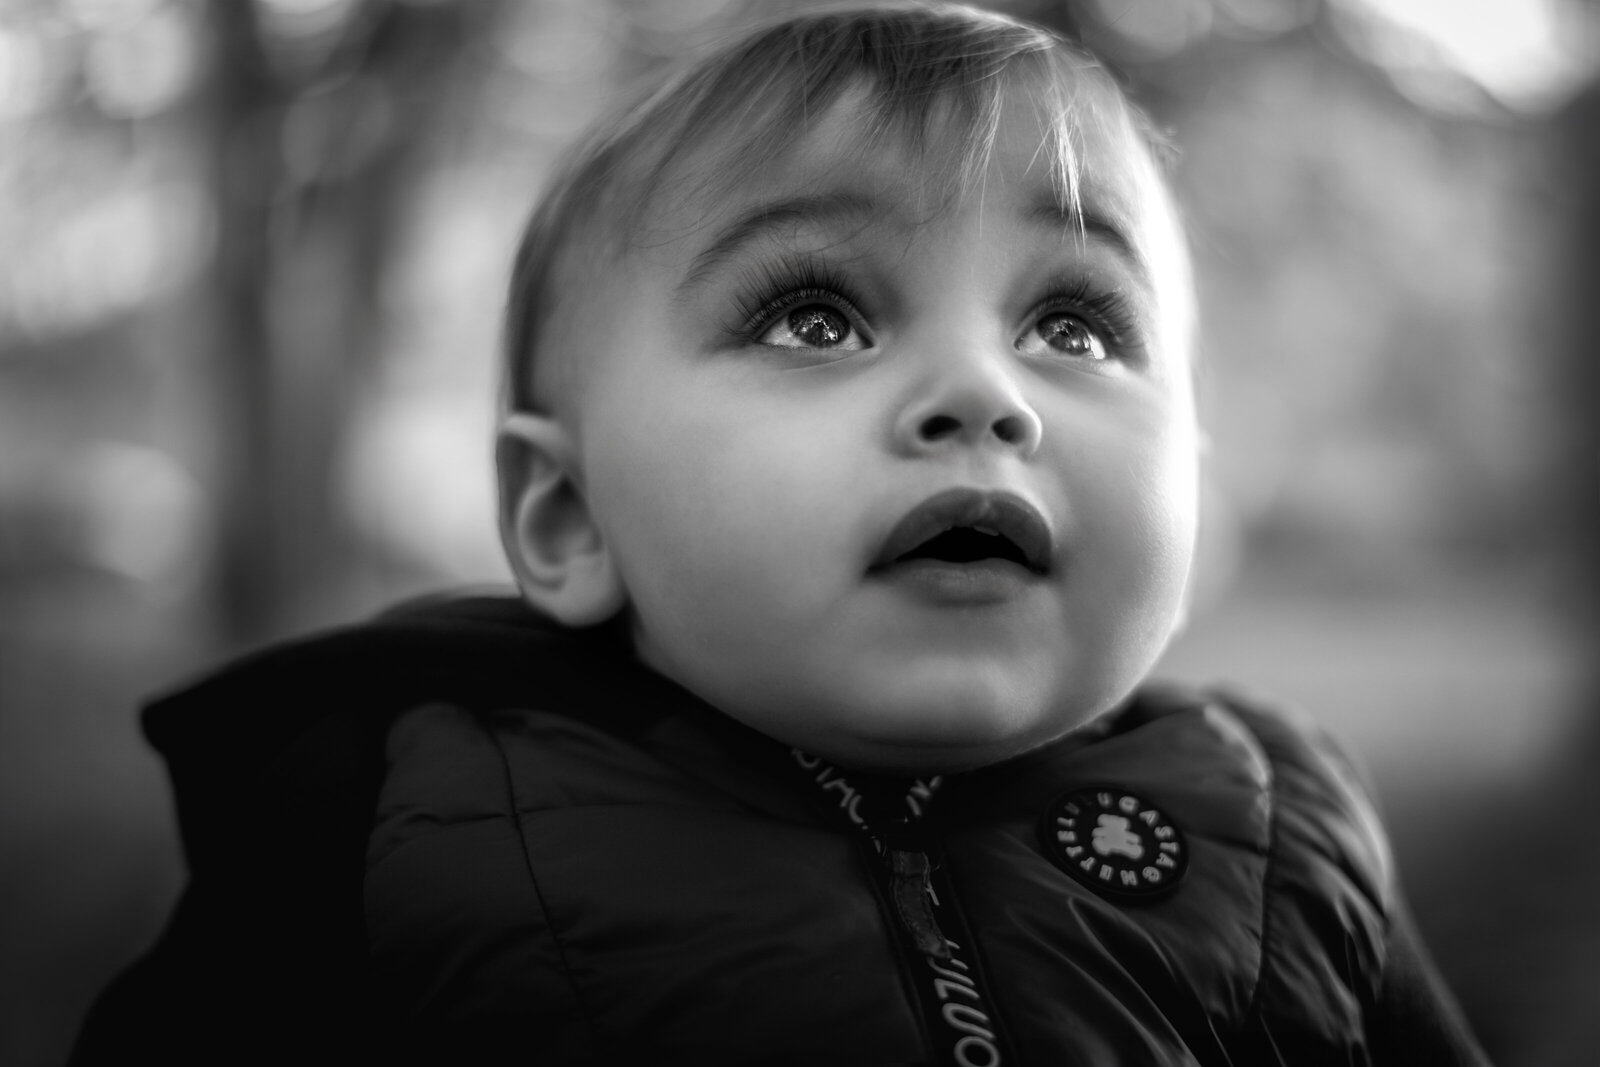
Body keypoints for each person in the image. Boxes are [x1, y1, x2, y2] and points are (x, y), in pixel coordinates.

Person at [73, 3, 1491, 1064]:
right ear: (569, 519)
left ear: (1197, 474)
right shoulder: (385, 836)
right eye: (816, 317)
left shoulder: (1283, 834)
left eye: (1074, 321)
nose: (981, 396)